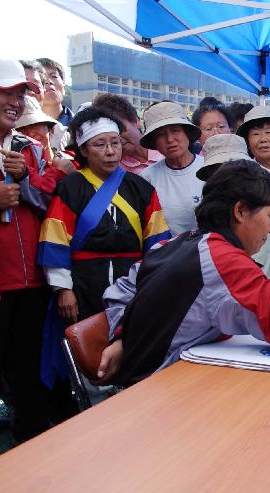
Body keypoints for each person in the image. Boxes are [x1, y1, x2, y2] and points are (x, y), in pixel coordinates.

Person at [96, 160, 270, 385]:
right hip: (157, 390)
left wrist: (121, 337)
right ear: (241, 211)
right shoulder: (226, 261)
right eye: (268, 217)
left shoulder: (174, 243)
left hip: (144, 380)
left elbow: (120, 291)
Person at [0, 57, 67, 443]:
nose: (15, 101)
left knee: (29, 373)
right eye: (6, 92)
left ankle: (32, 447)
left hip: (31, 281)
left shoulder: (29, 146)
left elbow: (50, 205)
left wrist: (28, 182)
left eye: (20, 93)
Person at [37, 107, 171, 325]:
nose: (110, 151)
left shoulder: (141, 188)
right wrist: (63, 289)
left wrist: (150, 284)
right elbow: (55, 240)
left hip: (132, 283)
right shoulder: (70, 188)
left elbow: (158, 241)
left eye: (115, 143)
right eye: (100, 144)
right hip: (83, 284)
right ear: (84, 150)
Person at [237, 105, 270, 294]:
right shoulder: (244, 179)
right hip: (264, 272)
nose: (262, 139)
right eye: (255, 134)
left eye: (269, 132)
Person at [138, 101, 204, 235]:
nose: (170, 139)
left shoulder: (210, 169)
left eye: (175, 131)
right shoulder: (147, 178)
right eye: (161, 134)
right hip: (165, 252)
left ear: (187, 133)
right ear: (154, 141)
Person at [92, 93, 161, 174]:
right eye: (108, 133)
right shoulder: (113, 170)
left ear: (136, 121)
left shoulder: (167, 148)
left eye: (119, 129)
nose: (117, 138)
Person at [15, 95, 75, 172]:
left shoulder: (72, 161)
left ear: (50, 129)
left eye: (35, 125)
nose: (30, 134)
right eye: (21, 129)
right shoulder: (17, 172)